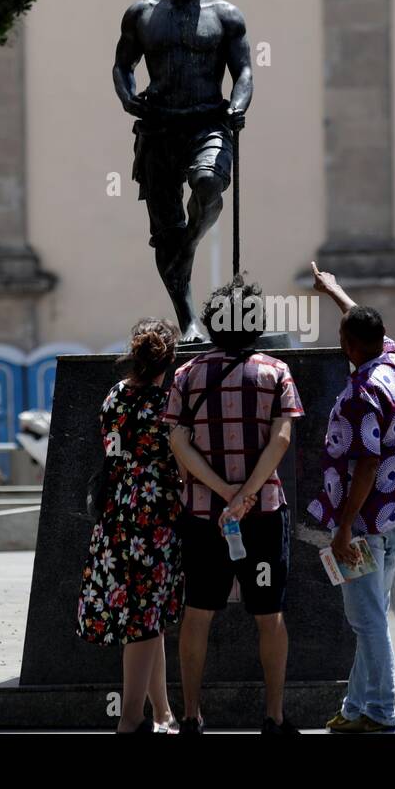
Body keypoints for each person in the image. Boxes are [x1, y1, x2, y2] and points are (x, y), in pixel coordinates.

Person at [163, 276, 303, 734]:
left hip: (204, 515)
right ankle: (274, 716)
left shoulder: (187, 374)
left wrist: (224, 492)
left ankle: (189, 716)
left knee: (197, 613)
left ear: (211, 322)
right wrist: (245, 494)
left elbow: (178, 443)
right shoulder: (276, 372)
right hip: (261, 512)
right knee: (270, 614)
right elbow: (281, 438)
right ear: (256, 322)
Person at [113, 0, 253, 341]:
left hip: (207, 122)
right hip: (158, 129)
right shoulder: (141, 15)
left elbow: (243, 70)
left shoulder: (226, 15)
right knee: (165, 228)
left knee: (209, 183)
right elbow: (123, 65)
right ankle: (189, 318)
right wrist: (127, 97)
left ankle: (190, 243)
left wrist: (238, 104)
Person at [308, 263, 395, 734]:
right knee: (369, 619)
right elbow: (364, 321)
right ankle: (356, 708)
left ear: (348, 346)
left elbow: (366, 465)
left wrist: (344, 528)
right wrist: (335, 290)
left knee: (368, 622)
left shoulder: (360, 393)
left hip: (364, 527)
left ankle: (382, 713)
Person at [76, 318, 186, 733]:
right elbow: (176, 458)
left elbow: (114, 448)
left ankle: (162, 713)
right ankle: (130, 719)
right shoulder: (166, 405)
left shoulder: (115, 396)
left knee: (145, 612)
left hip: (116, 507)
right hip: (154, 512)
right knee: (143, 615)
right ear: (169, 360)